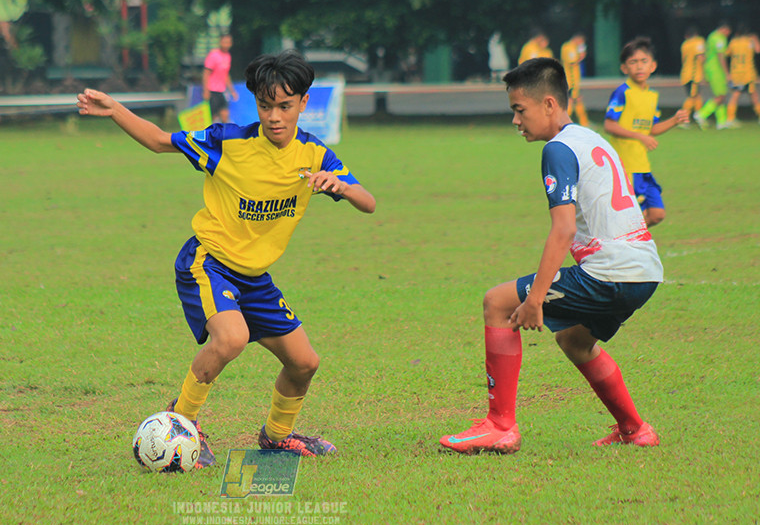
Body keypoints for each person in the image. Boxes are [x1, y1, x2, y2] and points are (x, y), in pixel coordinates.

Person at [77, 50, 376, 467]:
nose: (274, 116)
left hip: (254, 277)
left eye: (285, 106)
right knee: (231, 338)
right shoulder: (228, 141)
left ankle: (277, 437)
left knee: (305, 363)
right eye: (265, 105)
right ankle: (180, 423)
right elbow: (160, 141)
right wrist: (114, 110)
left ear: (304, 104)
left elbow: (369, 202)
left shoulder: (315, 156)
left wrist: (339, 186)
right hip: (209, 261)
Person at [440, 58, 663, 455]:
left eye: (519, 110)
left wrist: (534, 299)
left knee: (497, 302)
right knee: (575, 341)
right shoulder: (592, 139)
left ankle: (500, 426)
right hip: (644, 271)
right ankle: (634, 428)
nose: (515, 121)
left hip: (609, 272)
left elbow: (562, 229)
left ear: (547, 104)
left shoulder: (558, 150)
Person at [603, 37, 689, 228]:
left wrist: (675, 120)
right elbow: (609, 125)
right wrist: (639, 136)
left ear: (653, 66)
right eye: (633, 62)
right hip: (626, 167)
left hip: (642, 165)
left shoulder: (652, 96)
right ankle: (623, 245)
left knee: (657, 214)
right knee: (631, 216)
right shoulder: (623, 93)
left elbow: (652, 129)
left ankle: (623, 239)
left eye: (644, 62)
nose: (639, 67)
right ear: (624, 68)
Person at [695, 21, 732, 129]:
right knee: (720, 96)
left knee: (721, 95)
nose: (727, 35)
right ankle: (701, 114)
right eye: (728, 32)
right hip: (716, 70)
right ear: (725, 29)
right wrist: (727, 73)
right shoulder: (719, 38)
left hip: (711, 69)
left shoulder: (711, 36)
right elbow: (721, 57)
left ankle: (721, 122)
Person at [724, 24, 760, 126]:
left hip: (736, 73)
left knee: (736, 95)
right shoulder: (749, 41)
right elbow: (758, 49)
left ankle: (730, 118)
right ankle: (730, 119)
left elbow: (727, 53)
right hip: (747, 73)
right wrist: (755, 38)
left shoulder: (733, 42)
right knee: (753, 95)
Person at [202, 34, 239, 123]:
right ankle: (214, 134)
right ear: (220, 42)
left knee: (225, 115)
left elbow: (226, 74)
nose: (226, 44)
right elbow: (206, 73)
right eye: (224, 42)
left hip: (222, 90)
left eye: (228, 42)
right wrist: (205, 90)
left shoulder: (228, 56)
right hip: (213, 90)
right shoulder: (213, 55)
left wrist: (232, 90)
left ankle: (225, 135)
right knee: (213, 117)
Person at [560, 32, 589, 126]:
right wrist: (581, 56)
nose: (581, 44)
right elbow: (572, 62)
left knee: (577, 100)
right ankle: (563, 122)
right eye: (581, 42)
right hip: (570, 80)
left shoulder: (571, 47)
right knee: (571, 101)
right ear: (578, 39)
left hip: (574, 80)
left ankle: (584, 123)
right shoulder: (569, 48)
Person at [679, 26, 706, 117]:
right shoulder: (698, 42)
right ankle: (682, 118)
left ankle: (700, 116)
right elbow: (700, 57)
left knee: (697, 96)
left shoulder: (685, 44)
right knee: (692, 97)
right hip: (694, 75)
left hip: (685, 73)